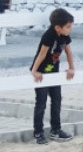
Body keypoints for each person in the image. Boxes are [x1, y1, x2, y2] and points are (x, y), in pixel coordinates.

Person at [29, 8, 75, 144]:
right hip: (42, 73)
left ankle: (56, 129)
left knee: (57, 100)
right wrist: (34, 71)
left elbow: (68, 51)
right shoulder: (49, 35)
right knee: (41, 103)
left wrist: (71, 68)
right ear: (57, 27)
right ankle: (38, 132)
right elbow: (42, 54)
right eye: (68, 27)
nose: (70, 29)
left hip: (54, 71)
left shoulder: (65, 36)